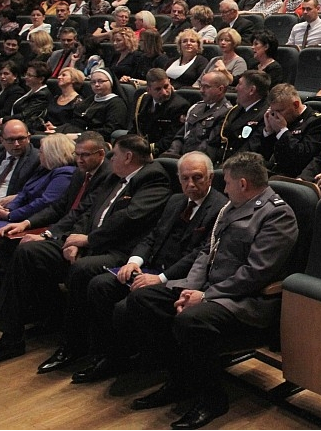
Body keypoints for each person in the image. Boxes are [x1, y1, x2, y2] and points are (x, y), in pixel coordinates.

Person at [119, 151, 296, 430]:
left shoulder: (277, 215)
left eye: (226, 182)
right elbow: (206, 252)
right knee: (143, 298)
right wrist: (188, 290)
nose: (222, 188)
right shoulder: (233, 207)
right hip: (208, 290)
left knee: (190, 320)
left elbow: (255, 274)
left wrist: (205, 296)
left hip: (245, 301)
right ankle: (180, 380)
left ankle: (212, 399)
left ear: (242, 184)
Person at [0, 135, 170, 373]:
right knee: (28, 251)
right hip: (86, 241)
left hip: (118, 250)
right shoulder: (114, 176)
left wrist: (88, 239)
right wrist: (71, 240)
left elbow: (129, 219)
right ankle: (10, 339)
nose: (111, 159)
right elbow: (85, 211)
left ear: (128, 157)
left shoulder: (153, 178)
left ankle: (73, 345)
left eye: (114, 155)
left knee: (81, 270)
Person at [72, 152, 226, 385]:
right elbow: (152, 236)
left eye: (198, 178)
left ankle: (150, 362)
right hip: (151, 267)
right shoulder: (175, 201)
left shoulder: (220, 208)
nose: (191, 185)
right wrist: (134, 261)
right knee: (99, 285)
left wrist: (161, 278)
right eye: (185, 179)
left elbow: (200, 254)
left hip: (179, 278)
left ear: (210, 178)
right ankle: (110, 356)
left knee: (127, 307)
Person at [0, 119, 44, 228]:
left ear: (29, 138)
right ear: (2, 140)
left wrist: (9, 206)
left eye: (21, 139)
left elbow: (35, 191)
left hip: (3, 210)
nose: (16, 144)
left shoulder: (38, 159)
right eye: (11, 140)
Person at [255, 84, 321, 178]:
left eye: (280, 111)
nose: (275, 116)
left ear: (296, 105)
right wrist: (268, 131)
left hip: (293, 176)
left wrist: (282, 131)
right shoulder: (280, 120)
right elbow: (265, 155)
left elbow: (302, 158)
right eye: (273, 111)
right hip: (272, 172)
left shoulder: (317, 122)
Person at [160, 71, 233, 161]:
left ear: (220, 89)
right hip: (182, 157)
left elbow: (210, 145)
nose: (201, 90)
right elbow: (181, 135)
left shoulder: (227, 112)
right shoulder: (196, 107)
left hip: (200, 160)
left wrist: (187, 159)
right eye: (201, 86)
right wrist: (172, 152)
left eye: (206, 87)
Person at [55, 69, 129, 143]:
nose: (96, 84)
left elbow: (109, 130)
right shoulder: (90, 100)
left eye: (101, 81)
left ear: (111, 82)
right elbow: (75, 122)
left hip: (96, 141)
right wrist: (57, 129)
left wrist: (80, 135)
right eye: (93, 82)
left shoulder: (117, 103)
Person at [130, 68, 191, 157]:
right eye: (158, 89)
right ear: (149, 89)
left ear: (170, 83)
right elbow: (136, 128)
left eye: (166, 86)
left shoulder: (180, 106)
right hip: (142, 149)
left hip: (162, 153)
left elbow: (171, 139)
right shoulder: (143, 100)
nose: (164, 92)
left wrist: (142, 149)